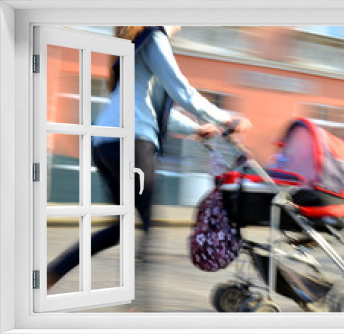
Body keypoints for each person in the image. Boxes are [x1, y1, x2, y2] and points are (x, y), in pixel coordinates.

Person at [47, 26, 251, 288]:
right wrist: (225, 118)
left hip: (104, 144)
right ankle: (139, 308)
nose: (180, 25)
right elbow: (182, 90)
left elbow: (152, 110)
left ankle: (52, 274)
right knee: (148, 228)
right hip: (131, 143)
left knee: (119, 229)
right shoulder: (155, 36)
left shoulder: (133, 46)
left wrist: (195, 128)